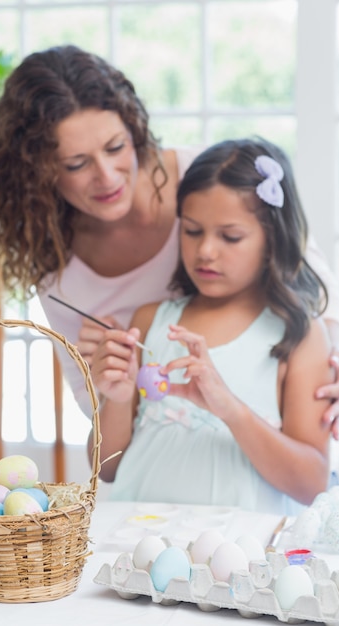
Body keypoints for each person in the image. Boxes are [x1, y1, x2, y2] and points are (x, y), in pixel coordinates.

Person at [0, 44, 339, 430]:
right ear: (39, 173)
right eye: (77, 164)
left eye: (116, 147)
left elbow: (319, 301)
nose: (107, 176)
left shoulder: (208, 180)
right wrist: (109, 375)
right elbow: (101, 418)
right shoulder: (56, 265)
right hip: (164, 446)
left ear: (134, 131)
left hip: (281, 424)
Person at [89, 138, 334, 514]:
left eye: (230, 236)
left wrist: (230, 409)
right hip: (135, 546)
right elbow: (104, 469)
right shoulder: (150, 321)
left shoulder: (300, 337)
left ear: (272, 239)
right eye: (192, 231)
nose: (205, 251)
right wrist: (116, 401)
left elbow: (312, 485)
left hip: (242, 559)